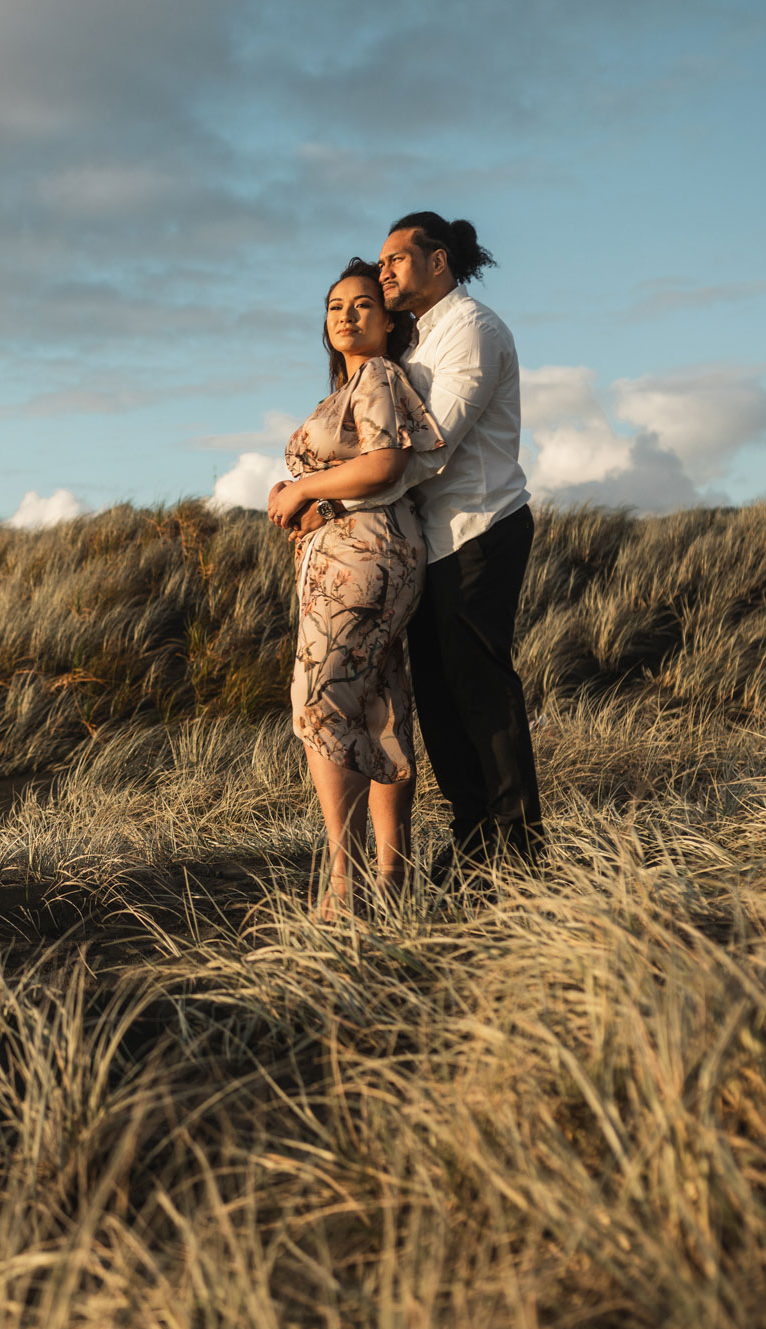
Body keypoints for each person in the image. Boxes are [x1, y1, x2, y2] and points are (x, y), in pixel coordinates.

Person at [266, 258, 446, 918]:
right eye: (335, 305)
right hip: (363, 550)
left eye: (364, 304)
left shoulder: (376, 375)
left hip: (364, 556)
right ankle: (390, 886)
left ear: (390, 321)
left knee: (321, 703)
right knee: (379, 705)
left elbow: (384, 462)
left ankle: (344, 888)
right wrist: (305, 499)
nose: (346, 313)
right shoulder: (347, 390)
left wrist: (303, 488)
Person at [376, 211, 543, 879]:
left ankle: (518, 846)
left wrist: (341, 493)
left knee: (480, 690)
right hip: (434, 542)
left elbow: (434, 444)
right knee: (440, 701)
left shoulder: (473, 329)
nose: (384, 269)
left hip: (482, 528)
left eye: (396, 258)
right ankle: (476, 837)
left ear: (438, 260)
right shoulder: (416, 342)